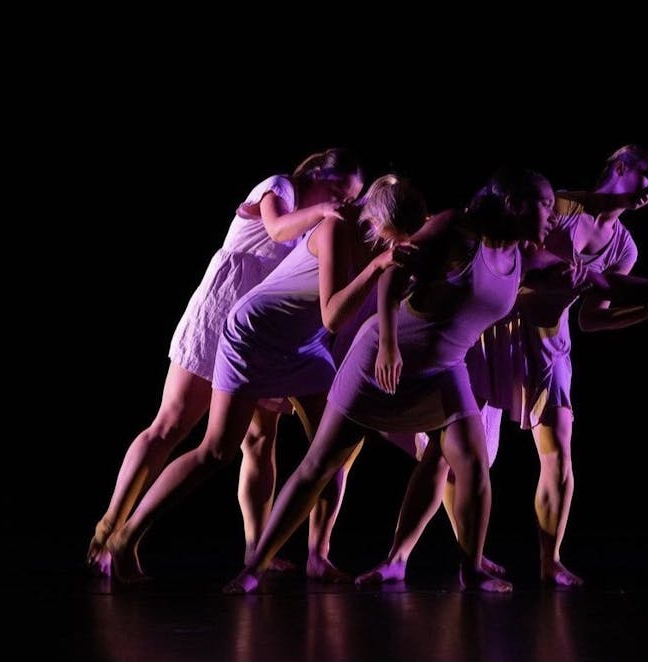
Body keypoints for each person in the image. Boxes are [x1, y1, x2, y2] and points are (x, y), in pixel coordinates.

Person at [355, 146, 648, 587]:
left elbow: (593, 316)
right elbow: (501, 254)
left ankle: (551, 563)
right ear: (620, 166)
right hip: (497, 332)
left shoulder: (625, 246)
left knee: (559, 452)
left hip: (551, 343)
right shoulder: (558, 207)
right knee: (446, 453)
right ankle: (402, 558)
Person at [224, 167, 556, 594]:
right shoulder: (457, 228)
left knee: (472, 463)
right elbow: (394, 270)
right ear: (513, 204)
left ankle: (471, 570)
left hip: (444, 369)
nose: (551, 213)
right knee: (319, 465)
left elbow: (578, 272)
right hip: (382, 357)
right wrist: (388, 346)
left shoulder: (516, 255)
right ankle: (254, 567)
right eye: (544, 204)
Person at [105, 174, 427, 582]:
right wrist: (378, 267)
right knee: (217, 451)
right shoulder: (335, 229)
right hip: (254, 335)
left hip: (304, 346)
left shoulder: (385, 241)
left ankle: (317, 555)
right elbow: (333, 315)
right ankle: (126, 537)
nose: (391, 246)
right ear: (379, 224)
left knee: (336, 448)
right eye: (390, 237)